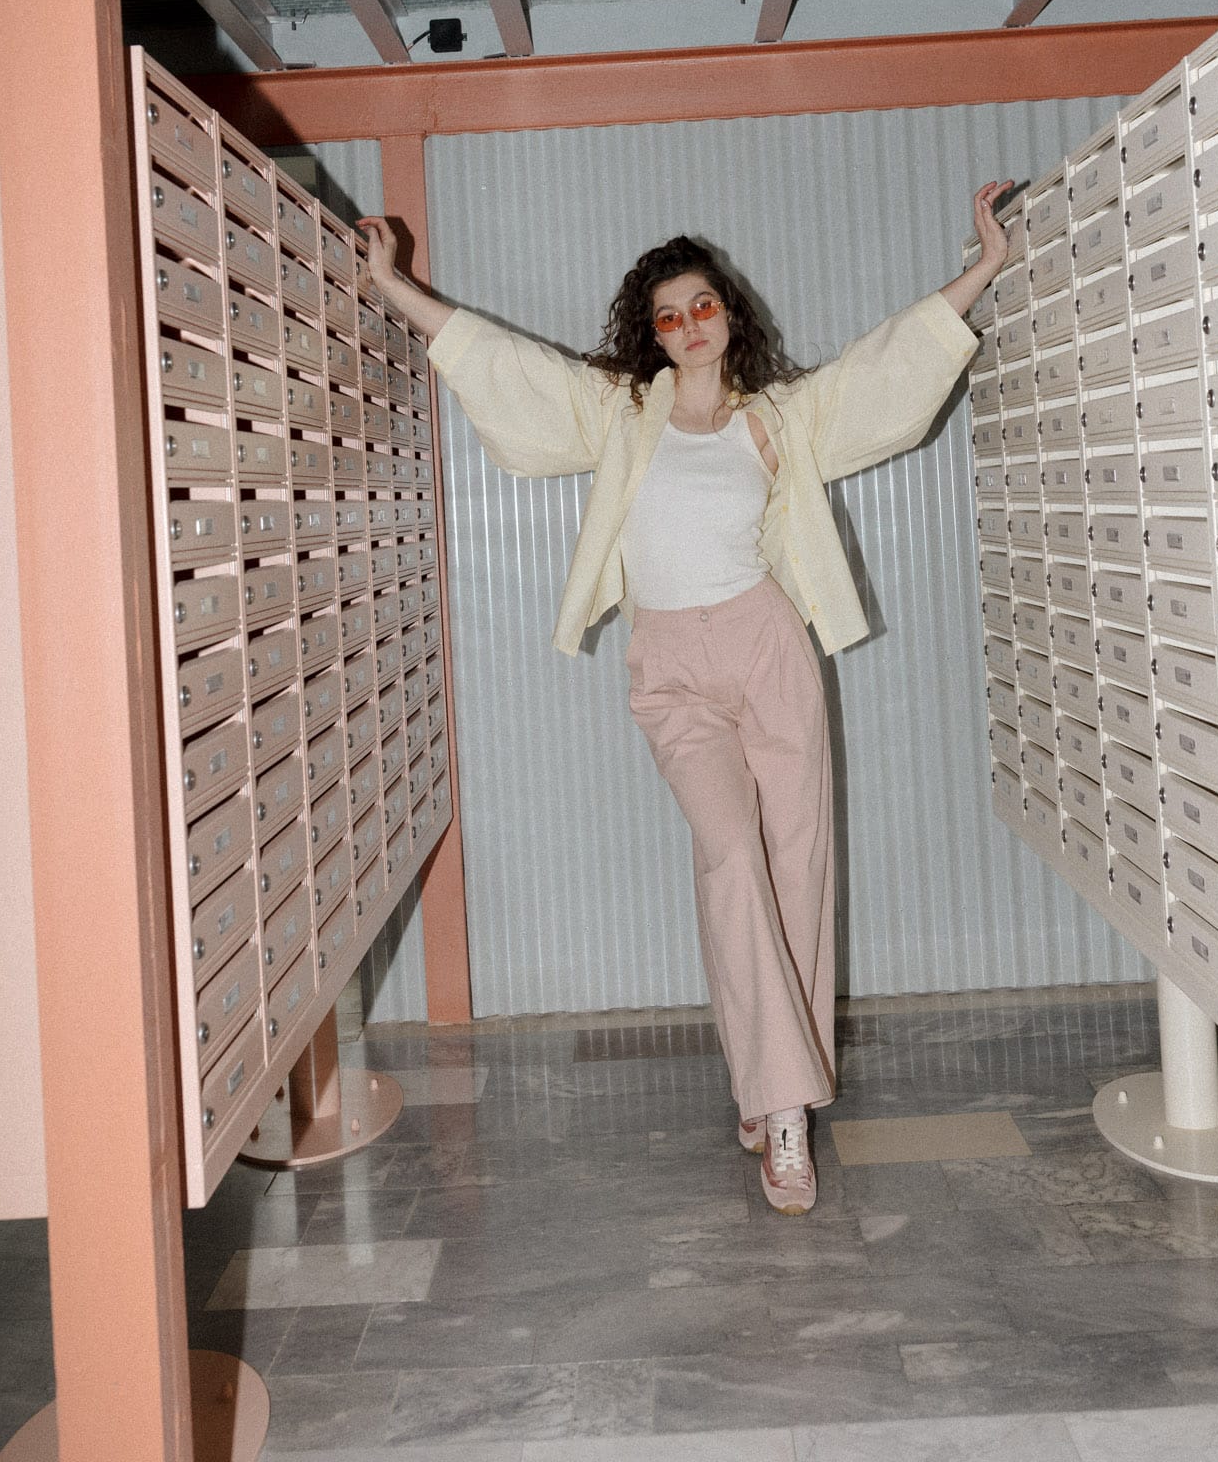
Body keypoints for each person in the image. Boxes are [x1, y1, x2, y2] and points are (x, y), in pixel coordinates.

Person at [358, 182, 1010, 1213]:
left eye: (703, 305)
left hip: (768, 648)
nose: (689, 324)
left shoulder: (780, 416)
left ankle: (771, 1096)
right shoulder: (621, 413)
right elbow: (505, 363)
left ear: (729, 314)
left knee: (798, 866)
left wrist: (986, 263)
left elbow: (888, 361)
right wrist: (394, 286)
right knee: (733, 856)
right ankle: (783, 1102)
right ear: (651, 334)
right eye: (668, 315)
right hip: (671, 667)